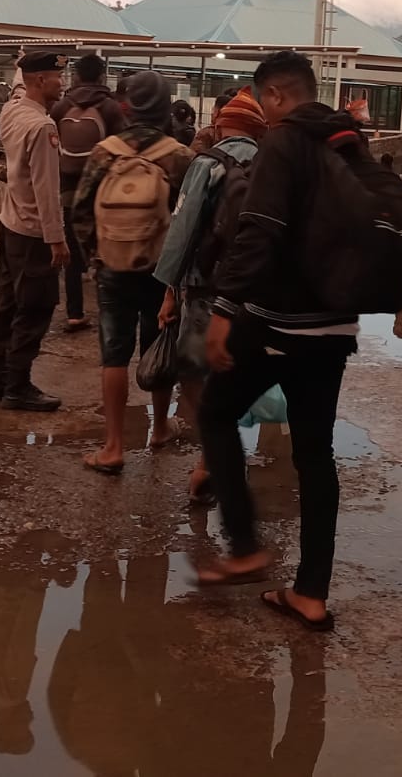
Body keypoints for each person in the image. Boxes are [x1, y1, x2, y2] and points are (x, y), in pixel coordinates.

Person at [194, 50, 362, 632]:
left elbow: (258, 230)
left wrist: (223, 311)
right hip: (335, 325)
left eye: (261, 100)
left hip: (278, 321)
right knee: (316, 453)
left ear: (274, 95)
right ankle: (310, 593)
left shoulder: (284, 142)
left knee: (215, 413)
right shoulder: (349, 142)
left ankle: (244, 547)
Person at [70, 70, 193, 474]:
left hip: (114, 266)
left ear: (128, 106)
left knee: (114, 355)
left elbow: (80, 210)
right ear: (166, 107)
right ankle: (159, 428)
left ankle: (113, 446)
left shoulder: (105, 152)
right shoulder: (179, 156)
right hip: (162, 272)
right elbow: (190, 219)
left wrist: (96, 256)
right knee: (159, 346)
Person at [154, 86, 268, 505]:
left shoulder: (206, 164)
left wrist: (170, 292)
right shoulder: (273, 167)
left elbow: (182, 231)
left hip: (206, 286)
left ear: (221, 126)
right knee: (236, 368)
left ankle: (211, 456)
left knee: (195, 369)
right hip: (255, 289)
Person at [0, 52, 69, 411]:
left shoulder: (11, 111)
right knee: (34, 310)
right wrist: (57, 239)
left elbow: (19, 87)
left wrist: (21, 64)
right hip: (35, 233)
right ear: (39, 80)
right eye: (57, 77)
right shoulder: (43, 127)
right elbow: (46, 190)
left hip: (10, 224)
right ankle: (18, 387)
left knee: (5, 305)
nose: (62, 84)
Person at [50, 55, 127, 332]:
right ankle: (109, 312)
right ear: (102, 76)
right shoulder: (109, 107)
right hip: (101, 190)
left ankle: (74, 312)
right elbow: (123, 146)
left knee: (71, 250)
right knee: (104, 251)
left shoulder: (62, 106)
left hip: (69, 188)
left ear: (77, 76)